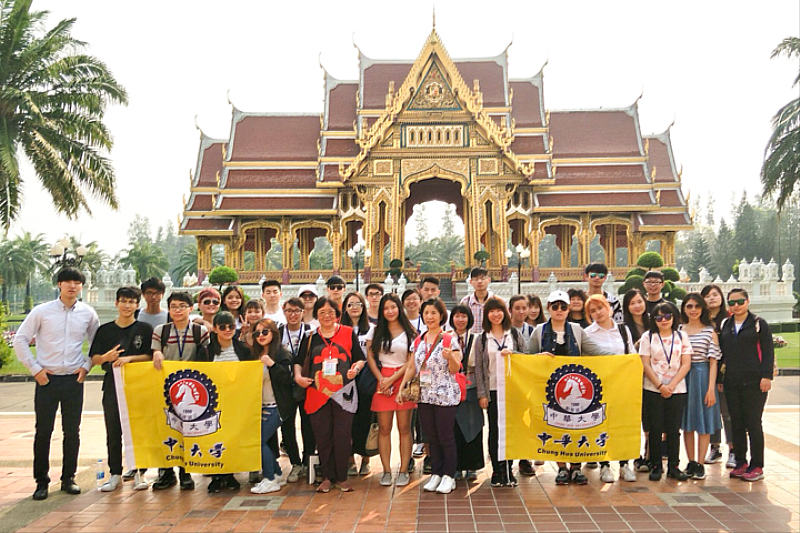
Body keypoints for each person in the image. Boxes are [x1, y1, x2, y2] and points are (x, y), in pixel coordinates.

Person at [14, 268, 100, 501]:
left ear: (82, 286)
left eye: (77, 282)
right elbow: (20, 339)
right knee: (43, 431)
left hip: (74, 379)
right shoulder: (42, 312)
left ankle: (68, 478)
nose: (73, 286)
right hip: (47, 380)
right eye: (68, 282)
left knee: (72, 431)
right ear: (59, 284)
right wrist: (35, 369)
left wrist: (86, 366)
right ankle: (41, 481)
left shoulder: (88, 313)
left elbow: (96, 343)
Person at [527, 290, 611, 485]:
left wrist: (624, 357)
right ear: (548, 308)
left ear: (568, 309)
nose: (559, 310)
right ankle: (562, 467)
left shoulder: (577, 330)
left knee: (576, 427)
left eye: (563, 307)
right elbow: (525, 356)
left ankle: (576, 467)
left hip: (575, 388)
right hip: (550, 390)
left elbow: (595, 352)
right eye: (554, 306)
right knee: (555, 428)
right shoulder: (539, 331)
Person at [294, 297, 366, 493]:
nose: (327, 316)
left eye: (331, 312)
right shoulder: (310, 337)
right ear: (316, 315)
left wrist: (355, 369)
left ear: (338, 314)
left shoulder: (348, 333)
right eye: (322, 312)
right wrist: (298, 377)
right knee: (322, 435)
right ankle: (326, 476)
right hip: (317, 392)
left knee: (342, 435)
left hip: (344, 392)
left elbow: (360, 359)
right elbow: (299, 361)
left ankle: (342, 477)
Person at [89, 286, 153, 492]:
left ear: (138, 305)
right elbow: (95, 358)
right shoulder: (105, 330)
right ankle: (115, 473)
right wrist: (107, 358)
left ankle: (139, 473)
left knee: (138, 430)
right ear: (116, 303)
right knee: (113, 429)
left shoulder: (144, 329)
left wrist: (129, 358)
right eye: (124, 301)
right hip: (112, 385)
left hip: (138, 385)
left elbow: (150, 356)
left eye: (132, 302)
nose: (127, 306)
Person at [397, 298, 462, 495]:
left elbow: (456, 368)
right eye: (426, 313)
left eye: (434, 313)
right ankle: (436, 472)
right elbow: (411, 367)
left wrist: (450, 356)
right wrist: (402, 388)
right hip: (424, 395)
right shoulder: (418, 340)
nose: (429, 317)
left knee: (445, 437)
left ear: (442, 315)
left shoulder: (449, 339)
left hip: (445, 395)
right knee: (431, 437)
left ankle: (449, 475)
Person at [151, 291, 210, 490]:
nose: (178, 310)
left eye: (182, 306)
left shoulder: (199, 331)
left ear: (191, 308)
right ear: (169, 309)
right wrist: (158, 352)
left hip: (191, 387)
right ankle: (166, 472)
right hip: (167, 387)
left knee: (187, 430)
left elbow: (207, 356)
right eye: (174, 306)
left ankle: (186, 472)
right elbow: (156, 350)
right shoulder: (162, 330)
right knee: (166, 428)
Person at [718, 289, 773, 483]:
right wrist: (719, 379)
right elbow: (722, 354)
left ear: (748, 301)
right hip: (732, 381)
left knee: (753, 423)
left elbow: (768, 351)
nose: (736, 306)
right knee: (737, 423)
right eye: (732, 303)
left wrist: (766, 376)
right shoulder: (726, 324)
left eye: (740, 301)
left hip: (754, 382)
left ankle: (757, 465)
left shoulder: (758, 324)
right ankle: (741, 462)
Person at [583, 294, 637, 483]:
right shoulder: (588, 333)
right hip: (600, 387)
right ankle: (604, 465)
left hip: (623, 385)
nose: (598, 313)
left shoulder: (623, 330)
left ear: (609, 308)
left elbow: (631, 355)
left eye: (600, 308)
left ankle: (624, 464)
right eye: (593, 311)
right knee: (602, 424)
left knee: (623, 424)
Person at [365, 293, 417, 487]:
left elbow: (411, 360)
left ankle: (403, 469)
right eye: (386, 308)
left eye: (393, 307)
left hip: (403, 380)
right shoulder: (376, 331)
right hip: (382, 380)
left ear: (399, 309)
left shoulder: (409, 331)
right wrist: (381, 380)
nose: (390, 311)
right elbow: (370, 356)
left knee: (404, 428)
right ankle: (386, 470)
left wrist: (393, 380)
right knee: (384, 429)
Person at [474, 297, 525, 487]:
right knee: (495, 430)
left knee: (510, 430)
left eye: (499, 310)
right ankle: (497, 469)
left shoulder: (513, 334)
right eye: (492, 311)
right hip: (493, 390)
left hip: (512, 390)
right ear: (487, 315)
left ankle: (509, 469)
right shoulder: (481, 338)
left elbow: (525, 358)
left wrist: (514, 355)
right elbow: (479, 368)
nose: (496, 314)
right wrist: (482, 394)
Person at [639, 302, 692, 481]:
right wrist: (660, 386)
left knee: (673, 429)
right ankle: (655, 465)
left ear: (674, 317)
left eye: (667, 316)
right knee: (655, 428)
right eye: (659, 317)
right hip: (653, 388)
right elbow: (645, 363)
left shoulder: (681, 336)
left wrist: (672, 385)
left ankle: (674, 466)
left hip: (677, 389)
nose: (664, 320)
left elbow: (686, 363)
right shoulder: (649, 336)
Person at [206, 311, 252, 493]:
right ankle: (217, 475)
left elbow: (250, 371)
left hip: (236, 401)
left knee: (232, 437)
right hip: (214, 403)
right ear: (215, 328)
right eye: (222, 327)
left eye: (231, 326)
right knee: (215, 438)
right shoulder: (207, 350)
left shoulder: (242, 349)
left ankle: (230, 473)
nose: (227, 330)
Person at [679, 294, 722, 481]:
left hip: (703, 376)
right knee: (687, 423)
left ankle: (701, 463)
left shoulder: (709, 331)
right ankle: (691, 462)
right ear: (684, 309)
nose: (693, 310)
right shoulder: (679, 330)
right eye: (689, 306)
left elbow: (713, 362)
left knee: (703, 422)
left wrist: (711, 388)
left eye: (697, 306)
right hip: (683, 377)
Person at [250, 319, 295, 494]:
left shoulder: (282, 354)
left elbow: (287, 379)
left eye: (265, 332)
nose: (260, 336)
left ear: (274, 333)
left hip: (278, 407)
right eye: (256, 333)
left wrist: (273, 365)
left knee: (258, 440)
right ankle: (275, 474)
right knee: (262, 440)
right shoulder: (254, 355)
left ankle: (269, 478)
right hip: (261, 406)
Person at [278, 298, 313, 483]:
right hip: (284, 386)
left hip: (306, 384)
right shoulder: (277, 332)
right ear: (284, 311)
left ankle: (308, 461)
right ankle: (295, 463)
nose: (293, 314)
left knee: (308, 425)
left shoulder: (310, 332)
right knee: (287, 426)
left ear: (303, 312)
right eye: (289, 311)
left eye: (296, 311)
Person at [701, 284, 734, 468]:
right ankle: (715, 448)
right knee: (710, 411)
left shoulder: (728, 320)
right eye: (707, 296)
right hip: (705, 373)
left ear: (721, 298)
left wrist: (722, 377)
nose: (712, 298)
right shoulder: (702, 322)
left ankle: (733, 448)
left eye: (715, 295)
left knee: (727, 413)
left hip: (725, 374)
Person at [341, 291, 374, 476]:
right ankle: (349, 459)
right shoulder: (339, 329)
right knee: (347, 422)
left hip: (366, 380)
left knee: (365, 420)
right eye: (350, 304)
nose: (355, 308)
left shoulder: (372, 329)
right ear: (345, 308)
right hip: (345, 380)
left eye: (358, 304)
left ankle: (366, 458)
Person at [449, 305, 483, 481]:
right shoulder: (446, 338)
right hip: (451, 389)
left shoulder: (477, 339)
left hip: (472, 387)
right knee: (454, 428)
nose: (460, 320)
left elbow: (481, 367)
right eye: (457, 316)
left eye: (464, 316)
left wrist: (482, 392)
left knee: (473, 426)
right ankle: (456, 466)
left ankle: (472, 465)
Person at [622, 288, 652, 472]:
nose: (637, 306)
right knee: (632, 418)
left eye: (639, 301)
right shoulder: (623, 328)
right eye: (632, 303)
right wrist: (637, 345)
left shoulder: (655, 323)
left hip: (653, 377)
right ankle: (633, 455)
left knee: (650, 419)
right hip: (631, 377)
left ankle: (649, 456)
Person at [460, 267, 493, 333]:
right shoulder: (465, 302)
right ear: (471, 282)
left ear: (489, 280)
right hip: (471, 340)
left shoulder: (498, 301)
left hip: (492, 340)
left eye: (483, 279)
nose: (479, 281)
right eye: (476, 279)